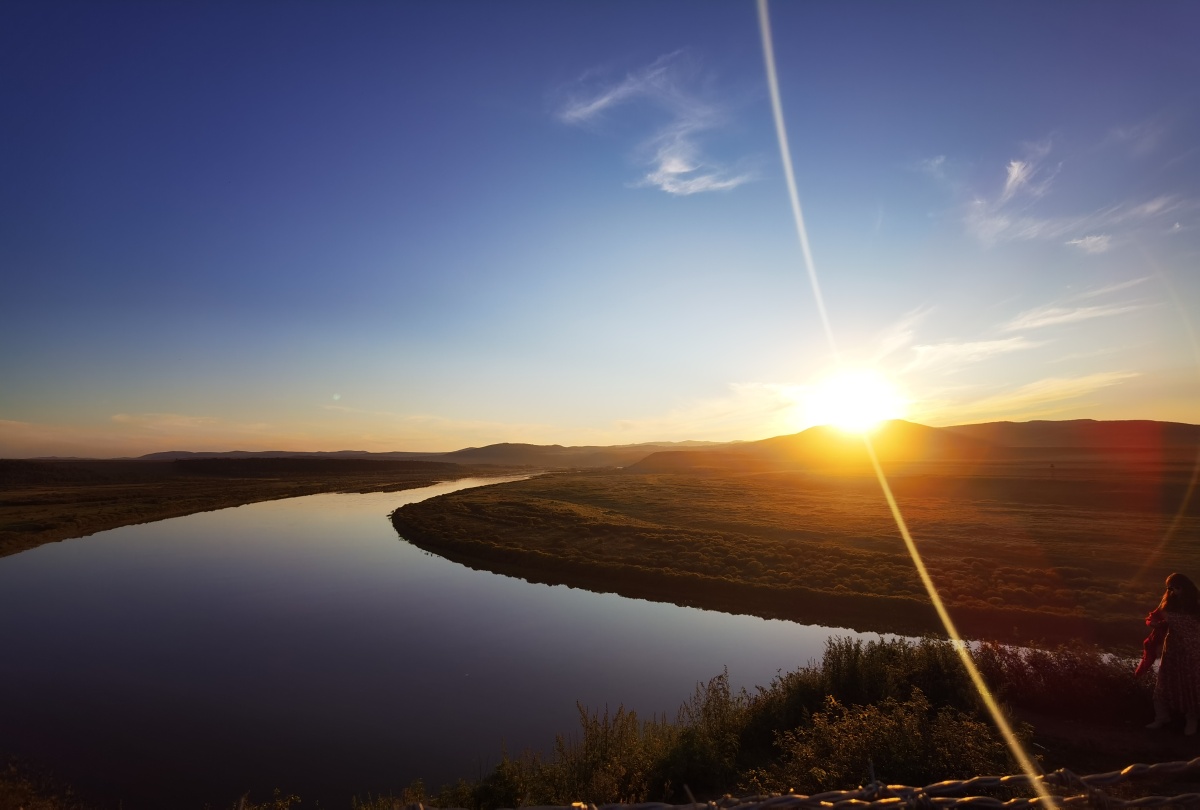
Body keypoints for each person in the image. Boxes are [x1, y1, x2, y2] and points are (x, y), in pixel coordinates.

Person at [1138, 573, 1200, 735]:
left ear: (1186, 587)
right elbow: (1154, 618)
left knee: (1191, 685)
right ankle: (1161, 717)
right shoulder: (1168, 601)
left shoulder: (1196, 602)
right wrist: (1154, 624)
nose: (1174, 591)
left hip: (1192, 649)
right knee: (1164, 682)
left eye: (1177, 587)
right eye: (1171, 588)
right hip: (1172, 648)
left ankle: (1191, 720)